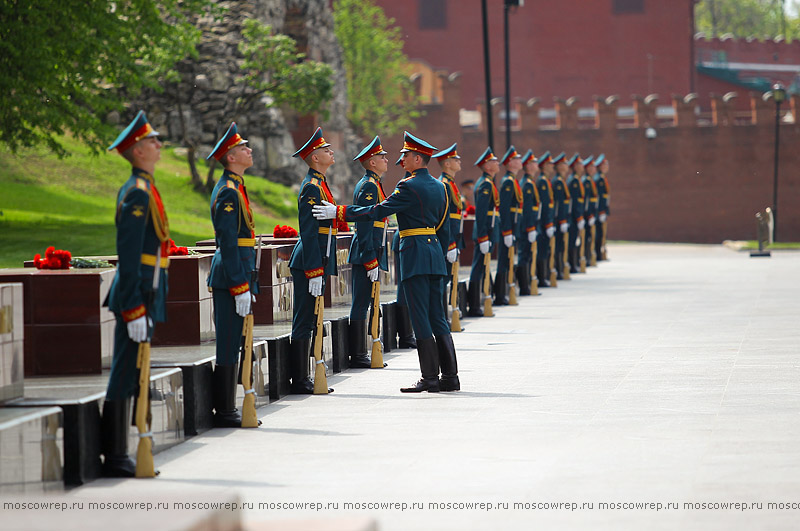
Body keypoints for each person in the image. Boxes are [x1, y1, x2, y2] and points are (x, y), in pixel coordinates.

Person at [312, 131, 459, 393]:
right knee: (438, 317)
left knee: (421, 317)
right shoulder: (440, 186)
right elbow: (443, 226)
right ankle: (450, 376)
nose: (401, 160)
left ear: (417, 158)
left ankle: (430, 378)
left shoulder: (408, 186)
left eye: (405, 156)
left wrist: (340, 211)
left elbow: (378, 211)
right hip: (434, 254)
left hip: (414, 254)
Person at [104, 111, 169, 477]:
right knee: (125, 370)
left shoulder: (145, 187)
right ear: (138, 151)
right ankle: (114, 455)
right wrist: (131, 307)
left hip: (145, 291)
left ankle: (120, 449)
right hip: (135, 293)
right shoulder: (138, 193)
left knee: (134, 369)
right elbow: (128, 256)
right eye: (153, 141)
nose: (159, 145)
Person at [206, 122, 259, 426]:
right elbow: (227, 242)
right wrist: (239, 285)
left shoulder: (236, 186)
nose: (249, 150)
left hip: (237, 273)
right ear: (231, 156)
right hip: (229, 276)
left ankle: (229, 406)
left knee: (235, 340)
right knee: (227, 342)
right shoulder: (228, 191)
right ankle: (224, 410)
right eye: (243, 148)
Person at [288, 127, 336, 394]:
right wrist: (314, 269)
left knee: (313, 316)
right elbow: (307, 230)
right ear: (315, 157)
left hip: (316, 260)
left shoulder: (320, 183)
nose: (331, 152)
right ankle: (300, 379)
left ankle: (307, 374)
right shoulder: (311, 186)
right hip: (308, 261)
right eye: (325, 149)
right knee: (304, 318)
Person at [348, 136, 389, 368]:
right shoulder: (369, 186)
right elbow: (364, 224)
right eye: (381, 157)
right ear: (371, 162)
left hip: (373, 249)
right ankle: (358, 353)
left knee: (367, 300)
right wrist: (370, 258)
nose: (386, 160)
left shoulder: (374, 183)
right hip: (367, 251)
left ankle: (362, 350)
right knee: (361, 302)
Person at [432, 143, 463, 322]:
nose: (459, 161)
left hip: (453, 237)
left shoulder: (450, 183)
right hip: (446, 240)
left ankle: (444, 317)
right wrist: (450, 243)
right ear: (447, 164)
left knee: (448, 280)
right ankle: (441, 319)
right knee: (442, 281)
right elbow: (444, 218)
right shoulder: (443, 184)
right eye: (455, 159)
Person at [467, 147, 500, 317]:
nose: (497, 162)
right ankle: (474, 305)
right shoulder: (485, 184)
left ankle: (479, 301)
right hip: (484, 232)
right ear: (487, 166)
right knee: (478, 267)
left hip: (487, 231)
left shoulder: (488, 182)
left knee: (482, 266)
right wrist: (483, 236)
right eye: (493, 161)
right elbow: (481, 213)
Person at [391, 154, 417, 349]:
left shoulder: (412, 183)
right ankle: (405, 335)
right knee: (404, 288)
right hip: (404, 239)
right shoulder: (405, 184)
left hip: (409, 239)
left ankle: (409, 333)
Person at [497, 145, 523, 305]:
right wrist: (507, 231)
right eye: (517, 159)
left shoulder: (513, 181)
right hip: (509, 227)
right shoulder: (508, 182)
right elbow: (505, 208)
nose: (520, 161)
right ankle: (500, 294)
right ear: (510, 163)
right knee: (504, 260)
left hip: (514, 226)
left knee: (509, 260)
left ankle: (504, 292)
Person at [517, 150, 540, 295]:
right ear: (529, 166)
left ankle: (528, 284)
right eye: (534, 162)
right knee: (524, 255)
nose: (536, 165)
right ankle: (524, 286)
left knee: (527, 255)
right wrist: (530, 227)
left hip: (530, 225)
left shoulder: (530, 182)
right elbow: (527, 208)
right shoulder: (527, 184)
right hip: (526, 226)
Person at [535, 151, 556, 287]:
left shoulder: (546, 181)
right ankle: (541, 277)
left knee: (546, 249)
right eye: (549, 163)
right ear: (543, 166)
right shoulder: (542, 181)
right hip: (542, 222)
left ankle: (545, 275)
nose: (552, 166)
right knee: (542, 250)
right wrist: (547, 223)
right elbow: (543, 205)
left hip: (546, 221)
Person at [550, 152, 571, 280]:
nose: (566, 165)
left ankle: (561, 268)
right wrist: (561, 220)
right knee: (557, 245)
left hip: (562, 219)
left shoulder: (561, 181)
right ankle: (557, 269)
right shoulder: (557, 182)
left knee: (562, 244)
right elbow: (557, 204)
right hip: (558, 220)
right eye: (563, 163)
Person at [566, 154, 586, 274]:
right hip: (573, 217)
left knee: (574, 240)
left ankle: (573, 264)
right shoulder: (574, 180)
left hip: (575, 216)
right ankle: (571, 264)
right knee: (572, 240)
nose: (582, 166)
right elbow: (574, 201)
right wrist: (578, 217)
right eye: (579, 164)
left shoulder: (577, 179)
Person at [582, 155, 599, 266]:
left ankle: (588, 256)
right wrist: (589, 215)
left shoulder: (590, 181)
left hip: (591, 214)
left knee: (590, 236)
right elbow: (586, 201)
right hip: (587, 215)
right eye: (591, 167)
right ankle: (585, 258)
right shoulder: (586, 181)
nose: (594, 169)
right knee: (586, 237)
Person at [594, 154, 611, 261]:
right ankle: (597, 253)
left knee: (601, 233)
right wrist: (601, 212)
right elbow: (599, 198)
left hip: (602, 211)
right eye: (605, 165)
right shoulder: (599, 179)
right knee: (598, 234)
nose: (607, 167)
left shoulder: (602, 178)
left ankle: (599, 252)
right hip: (599, 211)